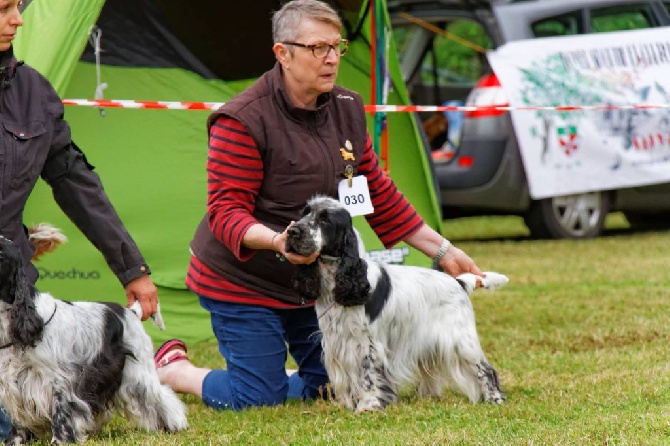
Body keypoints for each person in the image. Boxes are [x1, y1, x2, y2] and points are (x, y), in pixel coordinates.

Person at [154, 0, 483, 410]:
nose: (331, 59)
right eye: (317, 48)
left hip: (315, 285)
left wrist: (444, 251)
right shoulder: (241, 119)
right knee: (257, 399)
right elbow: (225, 213)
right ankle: (176, 370)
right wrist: (279, 242)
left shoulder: (346, 108)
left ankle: (277, 372)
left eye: (337, 47)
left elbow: (376, 191)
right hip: (244, 281)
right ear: (282, 53)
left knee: (337, 386)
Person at [0, 0, 159, 437]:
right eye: (3, 9)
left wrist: (132, 267)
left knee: (18, 422)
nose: (18, 20)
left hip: (10, 295)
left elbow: (76, 182)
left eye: (17, 6)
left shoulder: (34, 93)